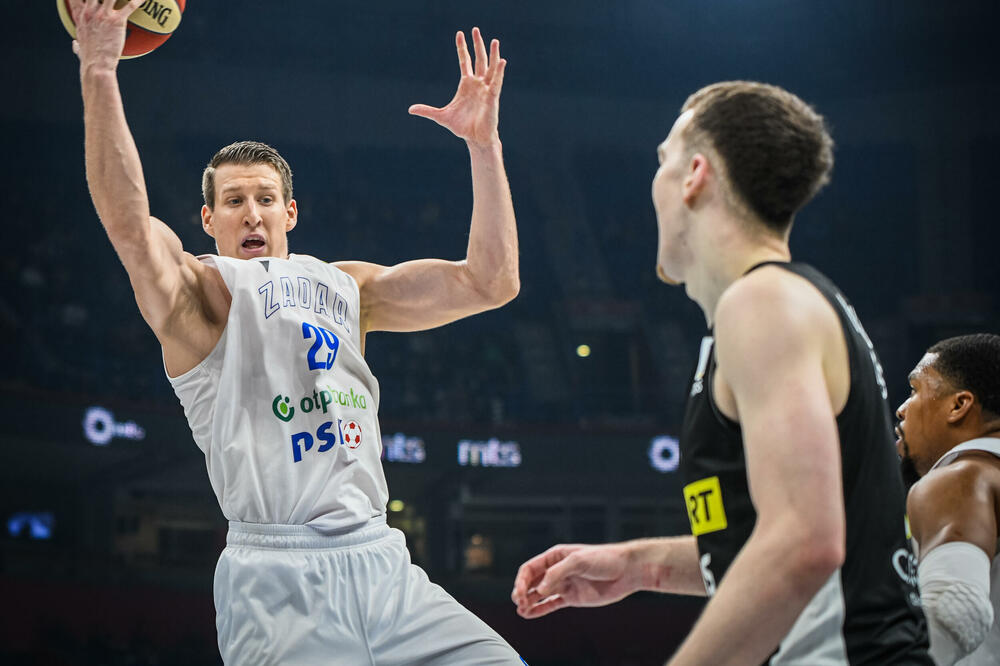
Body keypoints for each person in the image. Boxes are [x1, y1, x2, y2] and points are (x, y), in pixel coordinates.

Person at [71, 1, 524, 663]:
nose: (250, 213)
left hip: (385, 564)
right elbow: (130, 230)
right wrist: (100, 70)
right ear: (208, 219)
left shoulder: (350, 288)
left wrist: (485, 148)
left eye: (262, 198)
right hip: (277, 580)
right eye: (233, 201)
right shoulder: (200, 297)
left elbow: (492, 282)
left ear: (290, 212)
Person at [512, 81, 932, 664]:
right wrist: (639, 566)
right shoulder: (778, 304)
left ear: (695, 175)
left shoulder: (762, 304)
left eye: (662, 161)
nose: (652, 184)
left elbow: (804, 544)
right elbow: (782, 537)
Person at [897, 334, 1000, 665]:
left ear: (959, 405)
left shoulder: (960, 477)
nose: (901, 409)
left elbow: (954, 610)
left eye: (914, 390)